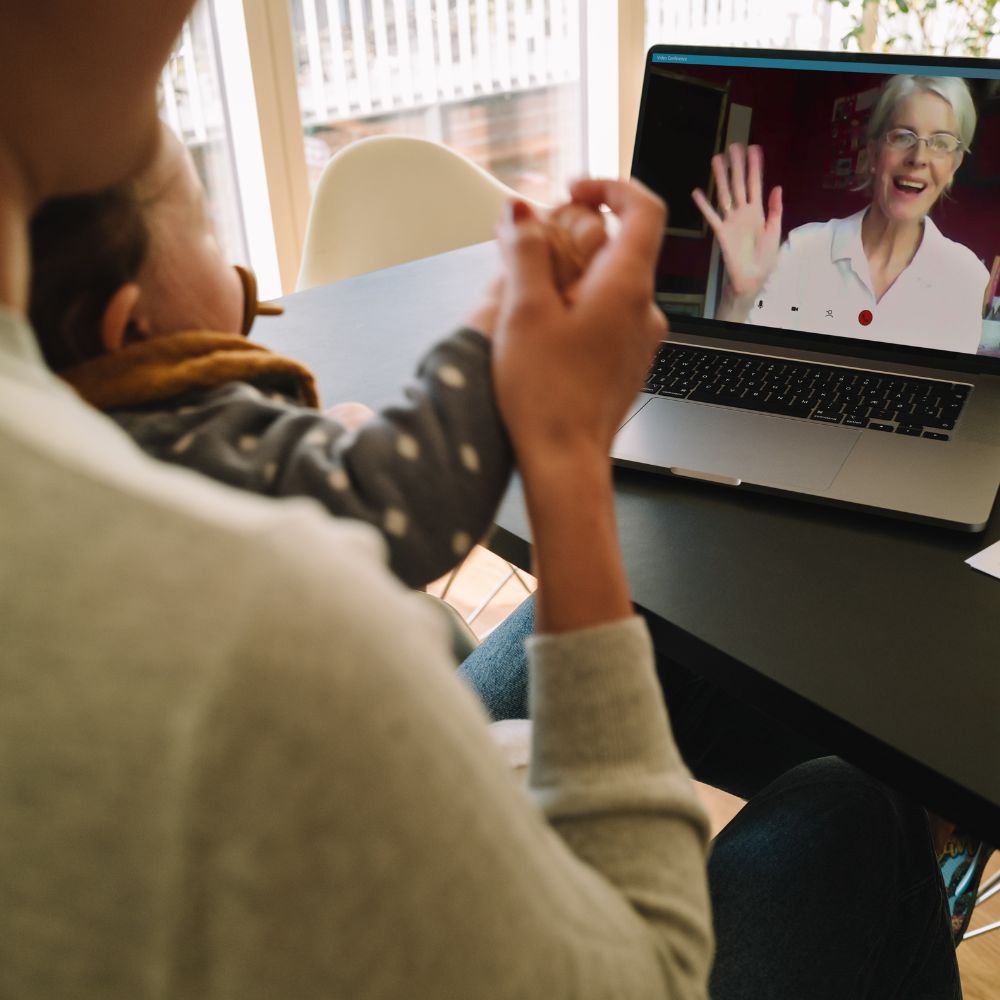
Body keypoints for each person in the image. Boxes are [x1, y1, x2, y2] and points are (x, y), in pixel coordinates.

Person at [0, 8, 974, 999]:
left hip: (399, 781)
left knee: (665, 637)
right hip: (448, 870)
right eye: (207, 225)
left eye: (943, 141)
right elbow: (641, 971)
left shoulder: (95, 448)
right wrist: (558, 449)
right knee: (862, 801)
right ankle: (912, 856)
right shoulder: (259, 606)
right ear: (131, 330)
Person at [28, 122, 607, 589]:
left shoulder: (67, 435)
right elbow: (409, 500)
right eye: (207, 231)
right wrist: (500, 314)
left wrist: (315, 451)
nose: (228, 255)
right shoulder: (185, 436)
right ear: (130, 327)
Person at [693, 74, 990, 353]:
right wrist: (738, 296)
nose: (919, 158)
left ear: (954, 165)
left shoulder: (967, 277)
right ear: (873, 154)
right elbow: (740, 367)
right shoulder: (803, 248)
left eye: (941, 143)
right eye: (903, 136)